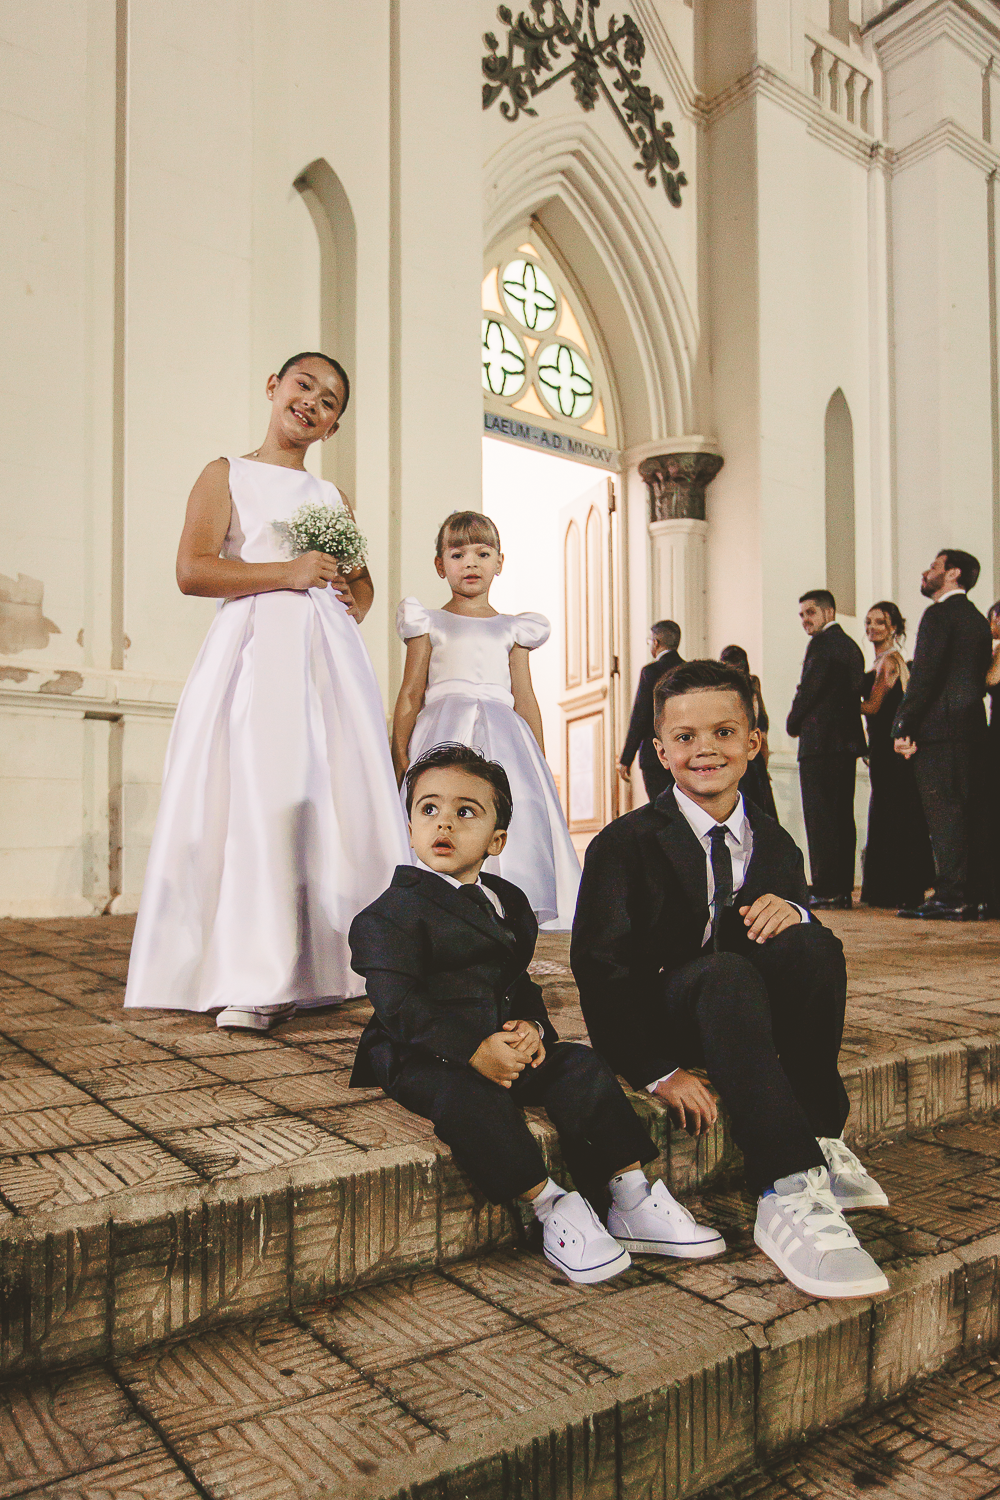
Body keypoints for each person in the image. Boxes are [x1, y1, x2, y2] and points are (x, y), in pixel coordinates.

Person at [349, 743, 725, 1285]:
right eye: (428, 810)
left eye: (466, 812)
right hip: (425, 1048)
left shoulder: (509, 900)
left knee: (580, 1066)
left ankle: (629, 1193)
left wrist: (532, 1028)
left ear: (496, 840)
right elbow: (400, 1005)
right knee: (468, 1100)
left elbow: (515, 979)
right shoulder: (388, 916)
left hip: (502, 1037)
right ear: (409, 828)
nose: (444, 824)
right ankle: (551, 1205)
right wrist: (473, 1051)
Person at [572, 659, 889, 1300]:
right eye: (685, 738)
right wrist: (656, 1067)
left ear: (753, 743)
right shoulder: (624, 844)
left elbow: (798, 940)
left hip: (745, 1014)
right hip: (667, 1010)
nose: (705, 750)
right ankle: (784, 1186)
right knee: (720, 975)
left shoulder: (772, 841)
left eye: (722, 732)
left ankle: (822, 1135)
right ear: (660, 751)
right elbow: (599, 970)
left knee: (815, 946)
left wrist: (794, 913)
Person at [123, 353, 410, 1031]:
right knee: (261, 789)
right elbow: (193, 571)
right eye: (303, 386)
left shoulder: (331, 498)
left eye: (330, 401)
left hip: (325, 662)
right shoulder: (227, 474)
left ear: (334, 426)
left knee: (332, 793)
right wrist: (289, 571)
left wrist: (351, 597)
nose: (313, 402)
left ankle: (343, 959)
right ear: (274, 387)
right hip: (255, 652)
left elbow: (360, 584)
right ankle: (255, 971)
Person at [391, 511, 579, 929]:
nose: (471, 563)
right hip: (441, 727)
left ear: (500, 562)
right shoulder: (428, 622)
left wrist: (539, 760)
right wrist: (400, 757)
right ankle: (437, 908)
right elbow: (410, 693)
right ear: (441, 565)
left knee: (509, 809)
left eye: (483, 552)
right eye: (458, 554)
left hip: (505, 735)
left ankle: (504, 907)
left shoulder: (513, 629)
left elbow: (525, 697)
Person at [893, 550, 992, 920]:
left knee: (944, 816)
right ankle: (973, 895)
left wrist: (903, 724)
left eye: (934, 566)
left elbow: (925, 676)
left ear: (952, 574)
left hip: (938, 732)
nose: (926, 571)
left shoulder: (939, 614)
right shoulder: (979, 621)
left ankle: (950, 896)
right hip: (971, 730)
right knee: (967, 814)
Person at [786, 590, 867, 910]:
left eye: (810, 613)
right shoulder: (850, 646)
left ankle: (826, 887)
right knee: (841, 817)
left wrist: (793, 722)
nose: (805, 620)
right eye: (802, 614)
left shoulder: (821, 644)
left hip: (820, 744)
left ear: (829, 612)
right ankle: (841, 888)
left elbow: (810, 688)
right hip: (846, 745)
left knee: (820, 819)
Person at [858, 602, 934, 909]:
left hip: (887, 750)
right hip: (884, 748)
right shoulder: (886, 660)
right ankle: (899, 888)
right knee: (894, 814)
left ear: (893, 628)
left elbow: (873, 707)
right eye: (868, 621)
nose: (872, 627)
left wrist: (835, 702)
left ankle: (893, 890)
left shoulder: (888, 662)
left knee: (890, 815)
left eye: (880, 622)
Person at [617, 621, 684, 802]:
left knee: (661, 809)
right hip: (684, 750)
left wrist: (626, 759)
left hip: (655, 755)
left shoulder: (651, 672)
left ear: (655, 643)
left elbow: (640, 716)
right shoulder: (689, 671)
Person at [719, 644, 778, 820]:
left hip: (736, 757)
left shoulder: (725, 690)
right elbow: (763, 724)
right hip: (753, 757)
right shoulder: (752, 684)